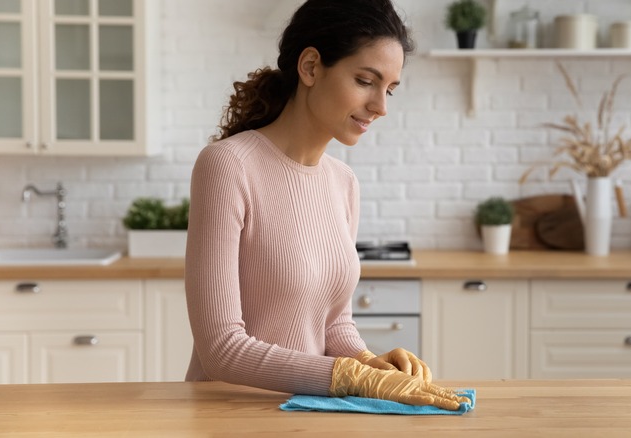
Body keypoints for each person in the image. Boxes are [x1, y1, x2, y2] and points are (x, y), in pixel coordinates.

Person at [185, 0, 468, 410]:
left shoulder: (343, 183)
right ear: (311, 67)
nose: (381, 106)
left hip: (311, 412)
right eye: (365, 80)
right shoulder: (228, 166)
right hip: (230, 415)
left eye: (389, 89)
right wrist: (351, 377)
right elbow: (221, 348)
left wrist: (369, 361)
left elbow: (333, 323)